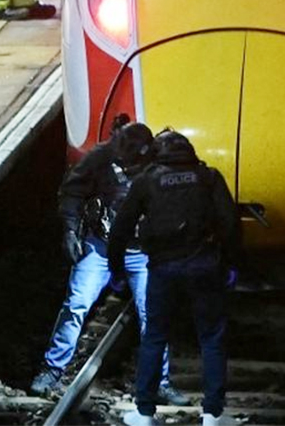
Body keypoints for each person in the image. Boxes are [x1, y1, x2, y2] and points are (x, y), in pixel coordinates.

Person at [30, 118, 189, 407]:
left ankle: (159, 382)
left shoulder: (163, 164)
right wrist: (69, 228)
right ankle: (51, 370)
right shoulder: (101, 157)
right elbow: (72, 191)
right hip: (101, 245)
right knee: (76, 304)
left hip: (143, 252)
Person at [110, 130, 240, 426]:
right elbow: (229, 223)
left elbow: (121, 227)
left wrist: (116, 270)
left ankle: (144, 412)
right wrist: (232, 264)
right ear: (190, 151)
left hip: (163, 269)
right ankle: (213, 414)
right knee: (211, 338)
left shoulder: (147, 180)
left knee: (154, 337)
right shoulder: (208, 177)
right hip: (204, 266)